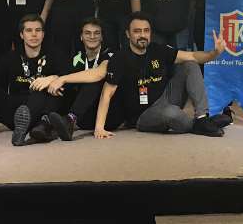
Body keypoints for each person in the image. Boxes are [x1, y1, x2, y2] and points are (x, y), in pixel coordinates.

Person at [0, 14, 100, 146]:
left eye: (38, 30)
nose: (34, 34)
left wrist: (53, 78)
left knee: (43, 91)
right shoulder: (12, 57)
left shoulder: (55, 54)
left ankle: (24, 131)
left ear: (43, 34)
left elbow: (71, 76)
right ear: (22, 35)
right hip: (16, 112)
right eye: (29, 30)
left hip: (41, 114)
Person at [93, 13, 229, 138]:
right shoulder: (119, 59)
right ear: (128, 34)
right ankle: (197, 125)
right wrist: (99, 128)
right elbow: (107, 93)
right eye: (137, 31)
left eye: (146, 31)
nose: (142, 35)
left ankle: (202, 118)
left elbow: (193, 56)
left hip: (165, 98)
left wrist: (215, 53)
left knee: (190, 64)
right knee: (170, 113)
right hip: (142, 116)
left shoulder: (158, 49)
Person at [28, 16, 123, 142]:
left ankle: (70, 120)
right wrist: (53, 79)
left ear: (102, 37)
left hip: (109, 116)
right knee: (59, 87)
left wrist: (62, 79)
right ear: (81, 37)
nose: (92, 36)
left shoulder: (111, 54)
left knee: (92, 81)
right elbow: (65, 75)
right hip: (84, 115)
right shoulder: (77, 57)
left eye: (96, 33)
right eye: (87, 33)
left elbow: (99, 73)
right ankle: (45, 123)